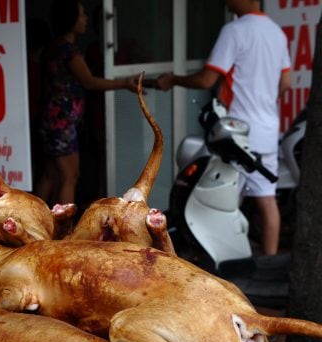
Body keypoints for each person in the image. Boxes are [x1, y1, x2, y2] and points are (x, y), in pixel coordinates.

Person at [157, 0, 291, 256]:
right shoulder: (276, 31)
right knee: (266, 201)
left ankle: (225, 264)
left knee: (219, 204)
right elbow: (285, 82)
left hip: (234, 135)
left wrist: (173, 79)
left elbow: (208, 78)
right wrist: (261, 101)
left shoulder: (235, 31)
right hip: (266, 130)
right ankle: (269, 262)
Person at [36, 0, 138, 207]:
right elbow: (89, 81)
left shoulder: (53, 47)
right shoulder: (68, 50)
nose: (86, 19)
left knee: (50, 174)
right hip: (61, 125)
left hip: (51, 121)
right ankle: (65, 229)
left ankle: (33, 219)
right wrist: (124, 83)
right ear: (71, 19)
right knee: (70, 176)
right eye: (82, 14)